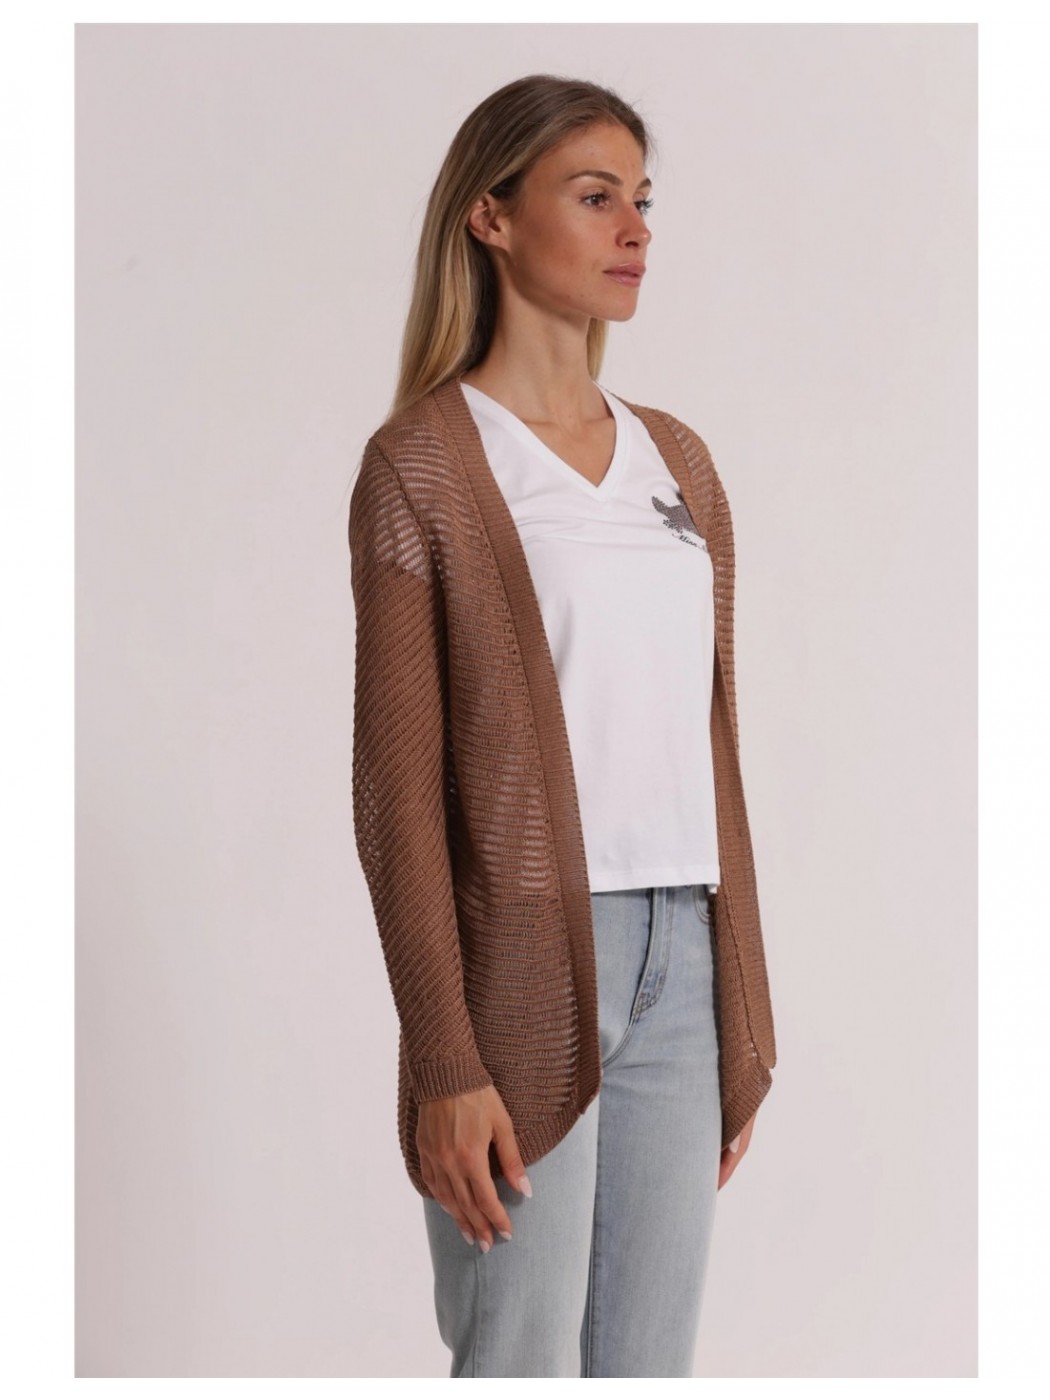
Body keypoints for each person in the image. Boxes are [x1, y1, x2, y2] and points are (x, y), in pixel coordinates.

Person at [347, 73, 777, 1378]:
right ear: (489, 216)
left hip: (684, 957)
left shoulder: (678, 460)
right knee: (518, 1358)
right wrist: (441, 1054)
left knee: (646, 1367)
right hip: (523, 959)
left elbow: (709, 743)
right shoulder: (426, 463)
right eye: (594, 198)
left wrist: (740, 1006)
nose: (633, 229)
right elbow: (397, 796)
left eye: (641, 200)